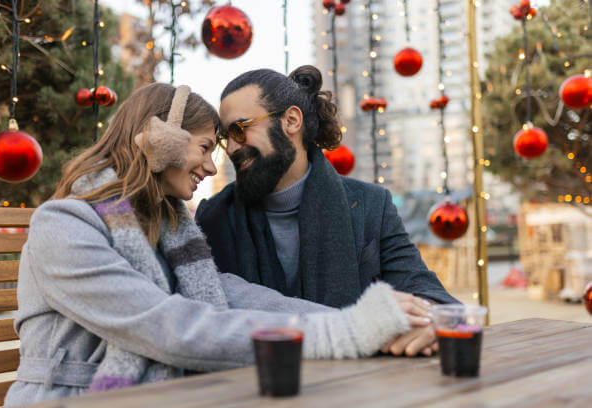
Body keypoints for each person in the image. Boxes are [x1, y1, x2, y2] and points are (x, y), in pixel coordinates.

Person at [4, 83, 434, 407]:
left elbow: (229, 292)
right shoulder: (62, 226)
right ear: (159, 136)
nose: (212, 166)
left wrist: (369, 320)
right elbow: (167, 326)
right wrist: (348, 332)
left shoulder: (170, 232)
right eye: (207, 147)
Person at [195, 65, 459, 359]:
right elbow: (203, 316)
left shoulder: (371, 206)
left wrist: (432, 320)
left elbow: (431, 295)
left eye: (240, 130)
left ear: (291, 120)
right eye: (225, 138)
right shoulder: (213, 218)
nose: (231, 148)